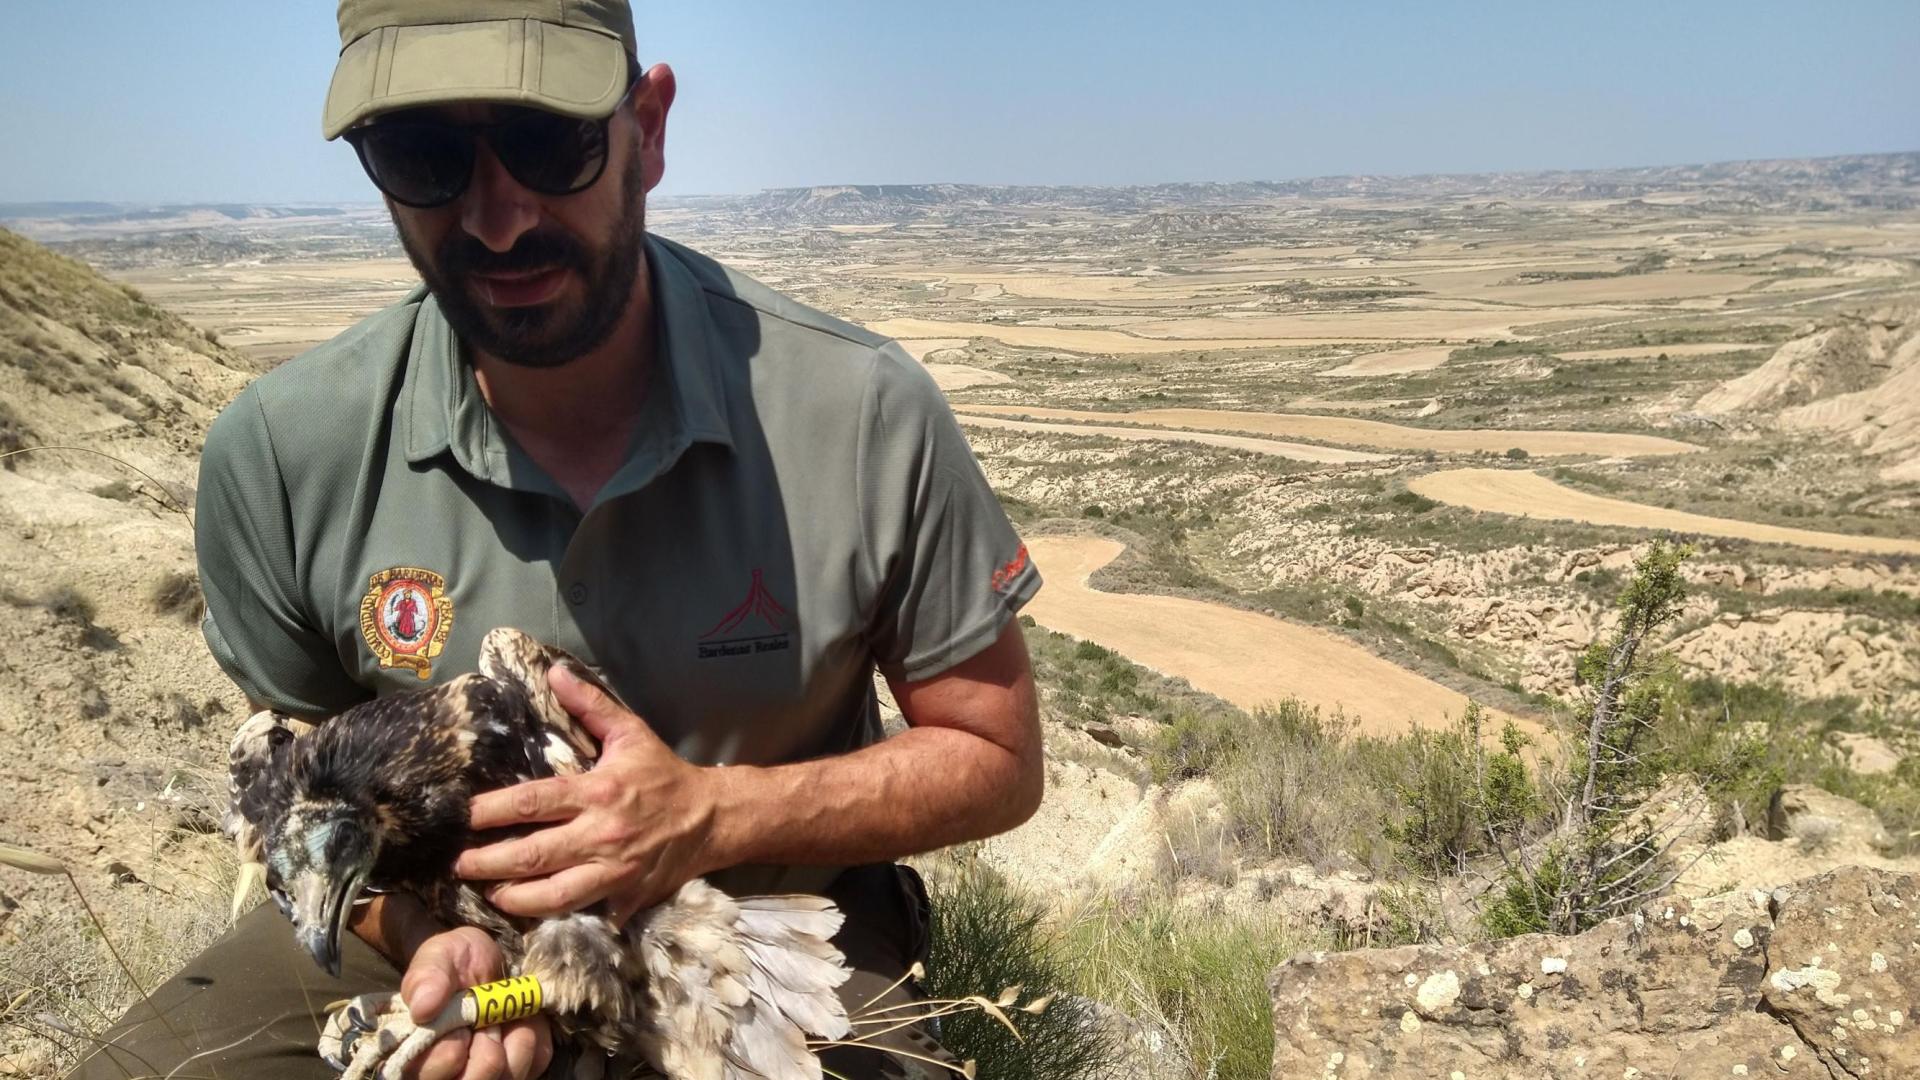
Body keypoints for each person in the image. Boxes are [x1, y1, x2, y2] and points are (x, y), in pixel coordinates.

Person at [74, 2, 1043, 1078]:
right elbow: (310, 815)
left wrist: (711, 815)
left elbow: (997, 760)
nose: (496, 218)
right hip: (429, 930)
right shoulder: (281, 454)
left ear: (650, 128)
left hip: (748, 936)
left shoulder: (861, 412)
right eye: (421, 155)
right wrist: (437, 949)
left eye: (550, 142)